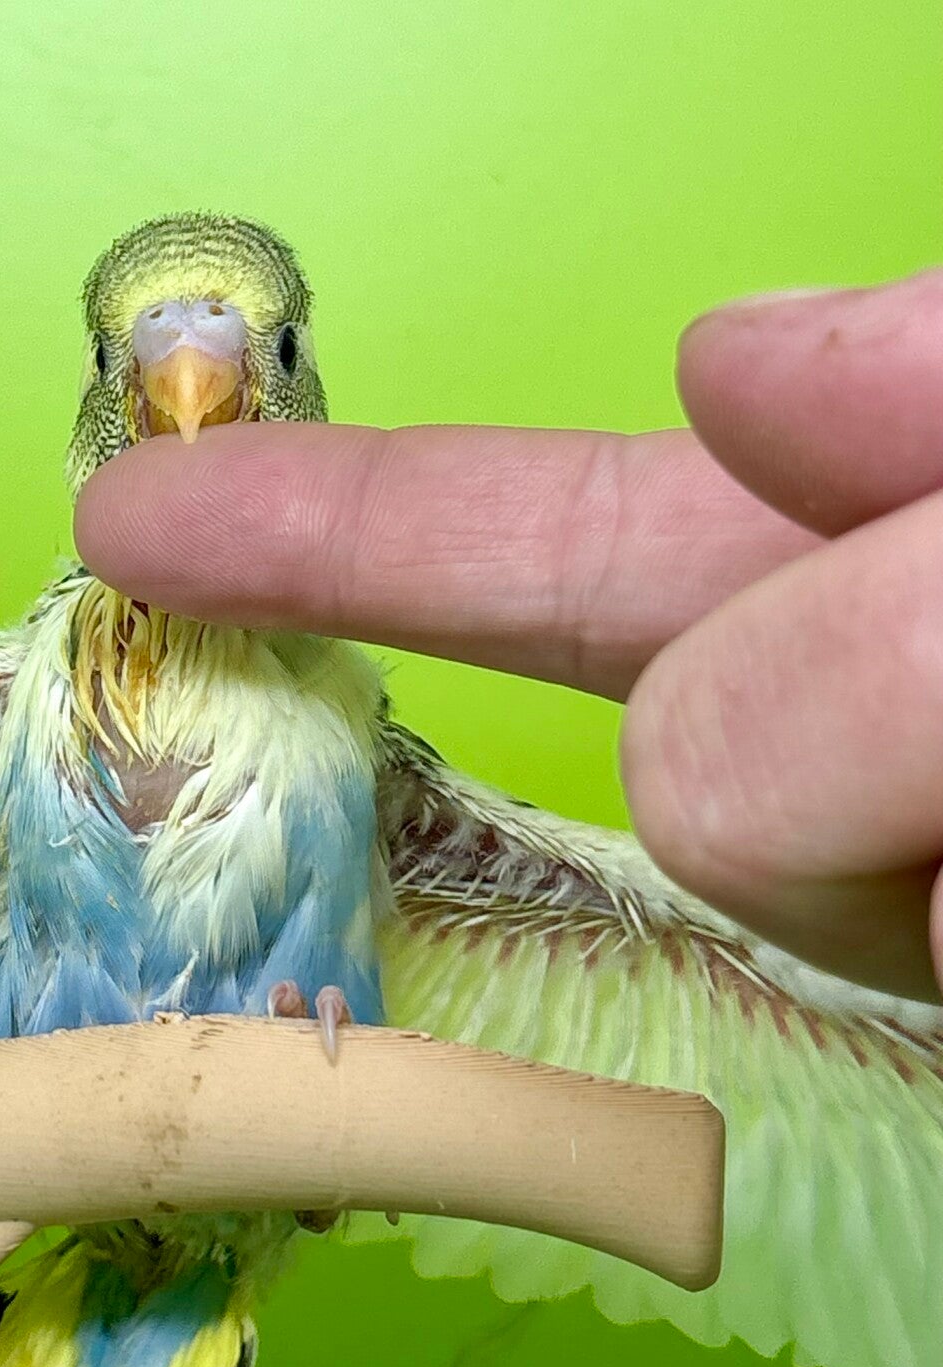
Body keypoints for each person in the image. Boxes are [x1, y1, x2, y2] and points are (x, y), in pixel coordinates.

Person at [75, 268, 943, 1005]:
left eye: (281, 351)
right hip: (40, 1122)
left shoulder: (344, 728)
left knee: (810, 987)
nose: (188, 371)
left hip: (285, 1123)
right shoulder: (22, 697)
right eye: (123, 357)